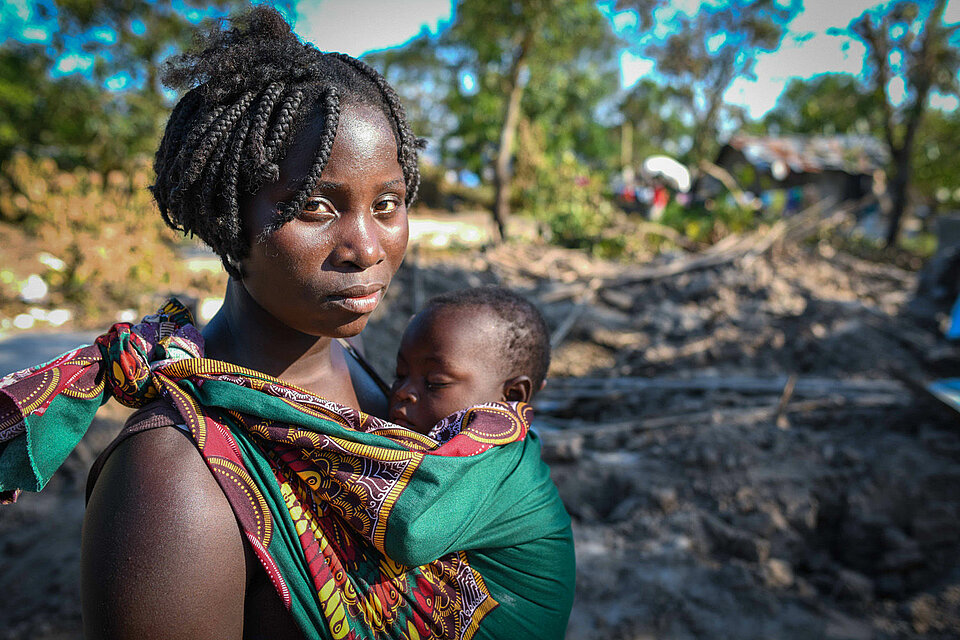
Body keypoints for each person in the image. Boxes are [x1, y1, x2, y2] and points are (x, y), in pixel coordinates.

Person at [0, 7, 574, 640]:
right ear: (227, 218)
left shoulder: (359, 366)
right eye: (315, 206)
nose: (365, 248)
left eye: (388, 205)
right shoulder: (172, 484)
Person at [389, 287, 551, 435]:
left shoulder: (495, 467)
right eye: (400, 375)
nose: (402, 392)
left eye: (435, 383)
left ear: (511, 397)